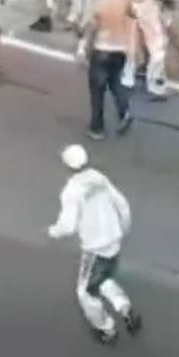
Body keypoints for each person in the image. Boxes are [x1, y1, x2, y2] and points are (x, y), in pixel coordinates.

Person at [48, 144, 141, 345]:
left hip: (95, 249)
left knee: (85, 292)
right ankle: (124, 307)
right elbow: (122, 205)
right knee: (104, 278)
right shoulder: (99, 178)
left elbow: (68, 225)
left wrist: (53, 232)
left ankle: (106, 328)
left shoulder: (72, 191)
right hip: (114, 243)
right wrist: (122, 230)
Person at [83, 0, 133, 139]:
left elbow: (92, 29)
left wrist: (85, 50)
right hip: (120, 49)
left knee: (97, 90)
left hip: (102, 49)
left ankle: (97, 127)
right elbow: (132, 13)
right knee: (116, 82)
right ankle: (124, 110)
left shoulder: (98, 4)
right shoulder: (122, 0)